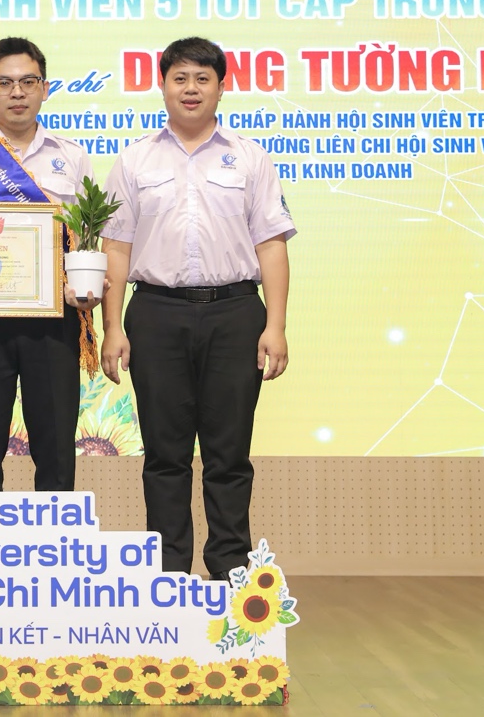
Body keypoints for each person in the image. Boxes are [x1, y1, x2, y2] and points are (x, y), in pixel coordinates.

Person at [99, 36, 295, 579]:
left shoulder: (250, 157)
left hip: (236, 314)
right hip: (155, 313)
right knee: (165, 454)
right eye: (180, 78)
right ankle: (167, 571)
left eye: (202, 79)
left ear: (221, 87)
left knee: (228, 454)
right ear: (162, 86)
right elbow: (115, 248)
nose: (191, 89)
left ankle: (231, 569)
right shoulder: (135, 158)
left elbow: (271, 246)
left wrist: (275, 325)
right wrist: (111, 326)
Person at [0, 37, 100, 491]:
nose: (17, 92)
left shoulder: (72, 157)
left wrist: (84, 285)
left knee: (57, 452)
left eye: (28, 81)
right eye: (3, 83)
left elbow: (87, 236)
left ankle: (57, 535)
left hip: (54, 319)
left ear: (45, 88)